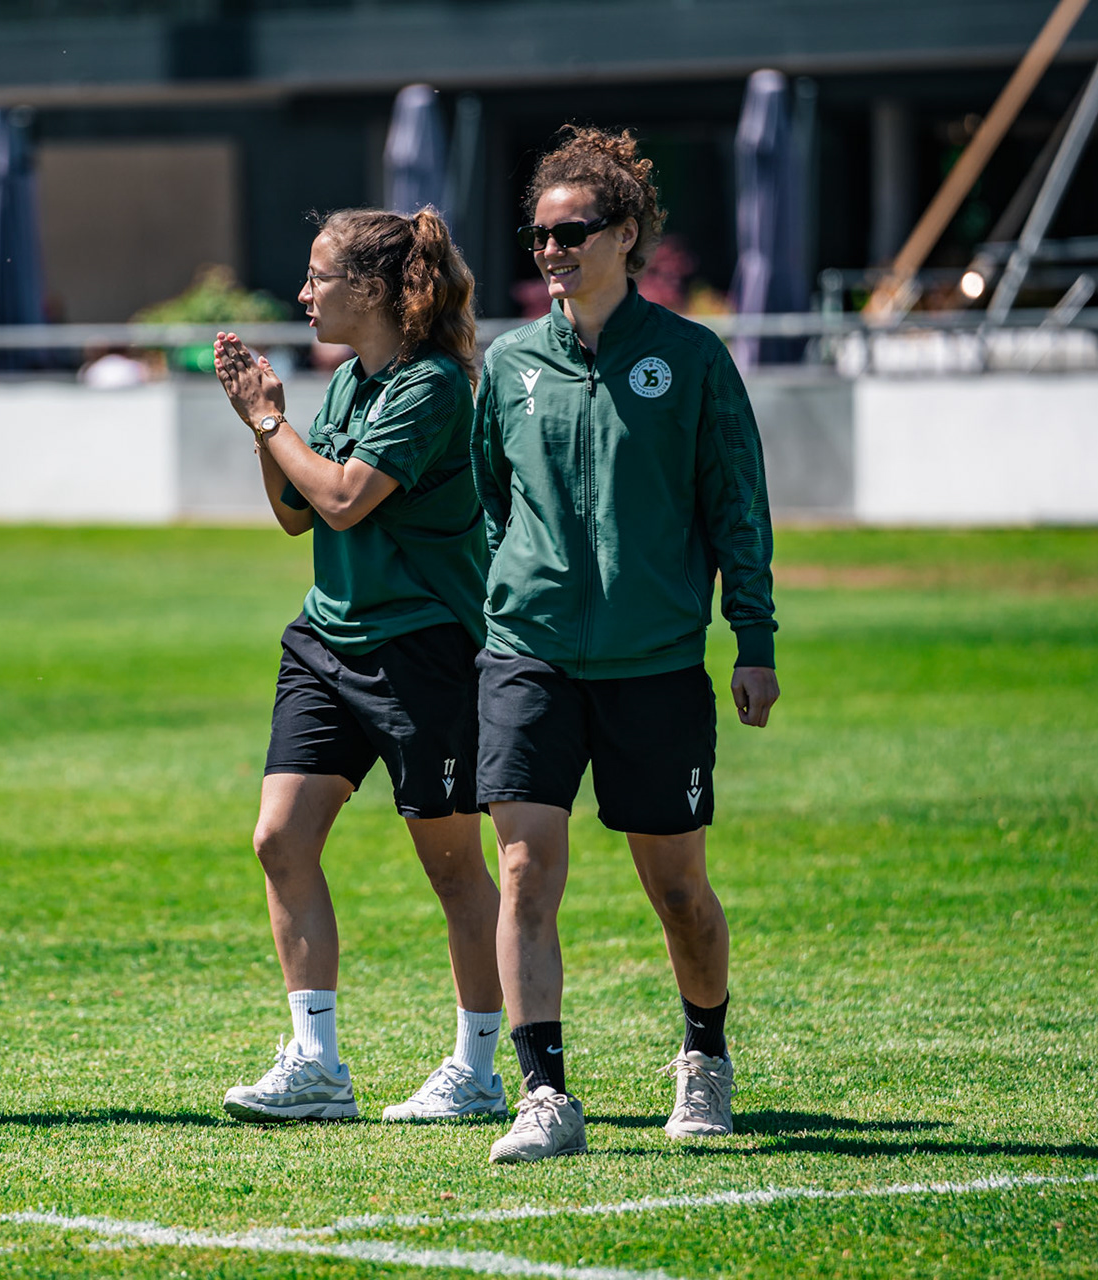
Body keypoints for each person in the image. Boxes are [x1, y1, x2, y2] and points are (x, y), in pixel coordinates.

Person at [472, 127, 779, 1164]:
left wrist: (754, 636)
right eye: (539, 234)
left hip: (655, 662)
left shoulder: (692, 358)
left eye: (572, 231)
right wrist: (510, 591)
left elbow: (738, 506)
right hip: (529, 654)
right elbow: (488, 501)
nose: (551, 250)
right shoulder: (509, 362)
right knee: (523, 869)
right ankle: (544, 1091)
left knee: (679, 890)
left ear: (626, 233)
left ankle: (704, 1055)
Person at [211, 207, 507, 1124]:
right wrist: (266, 425)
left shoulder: (431, 388)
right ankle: (316, 1065)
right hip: (327, 641)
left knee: (454, 869)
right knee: (279, 839)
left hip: (426, 652)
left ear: (375, 290)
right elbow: (296, 514)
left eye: (318, 277)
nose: (303, 295)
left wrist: (270, 421)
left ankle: (481, 1068)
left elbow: (340, 499)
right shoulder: (345, 384)